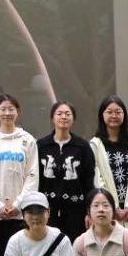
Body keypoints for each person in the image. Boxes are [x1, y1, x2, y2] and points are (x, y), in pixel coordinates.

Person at [0, 94, 39, 256]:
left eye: (11, 109)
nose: (7, 113)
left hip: (20, 213)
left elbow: (32, 175)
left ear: (18, 111)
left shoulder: (28, 140)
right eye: (3, 109)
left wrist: (19, 204)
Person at [88, 95, 128, 234]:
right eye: (109, 112)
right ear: (102, 115)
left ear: (124, 115)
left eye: (118, 112)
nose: (114, 115)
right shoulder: (95, 145)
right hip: (106, 212)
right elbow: (97, 178)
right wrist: (112, 207)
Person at [38, 100, 95, 242]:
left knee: (75, 246)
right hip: (47, 211)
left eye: (67, 114)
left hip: (76, 211)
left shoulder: (83, 147)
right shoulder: (41, 146)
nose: (63, 117)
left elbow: (88, 181)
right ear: (52, 118)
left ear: (73, 119)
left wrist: (89, 211)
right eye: (59, 113)